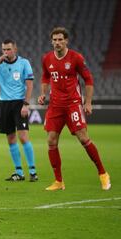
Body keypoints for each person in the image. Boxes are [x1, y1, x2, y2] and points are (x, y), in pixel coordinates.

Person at [38, 27, 111, 191]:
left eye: (60, 39)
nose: (57, 42)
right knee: (51, 140)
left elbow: (88, 79)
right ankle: (58, 181)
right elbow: (45, 76)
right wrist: (43, 93)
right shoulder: (47, 58)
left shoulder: (76, 58)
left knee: (83, 138)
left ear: (66, 41)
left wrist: (88, 102)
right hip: (55, 106)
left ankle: (103, 174)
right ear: (52, 41)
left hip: (73, 104)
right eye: (54, 40)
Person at [0, 39, 38, 182]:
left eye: (8, 49)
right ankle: (19, 172)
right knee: (10, 139)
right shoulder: (0, 65)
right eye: (3, 50)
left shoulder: (24, 63)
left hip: (19, 103)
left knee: (23, 137)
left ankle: (33, 171)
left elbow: (29, 85)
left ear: (15, 49)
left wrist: (26, 104)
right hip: (4, 104)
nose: (6, 52)